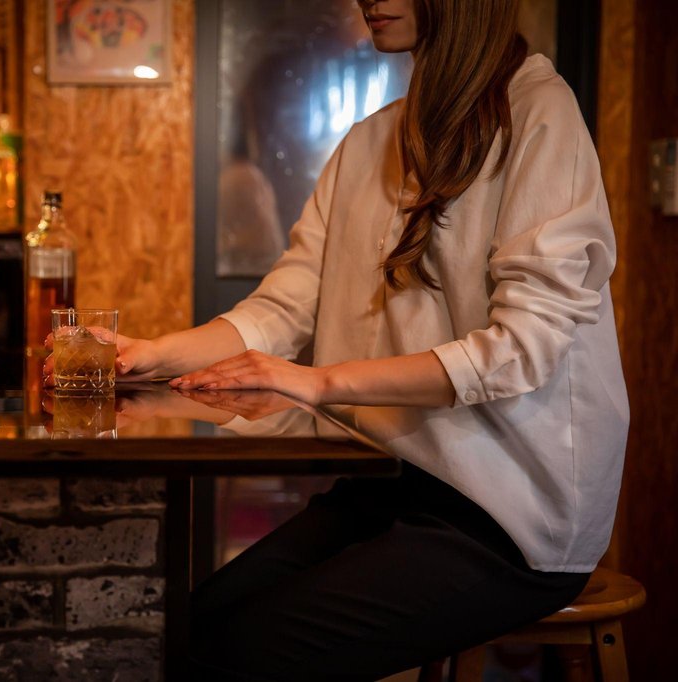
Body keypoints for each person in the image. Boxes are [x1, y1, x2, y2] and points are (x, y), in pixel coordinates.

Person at [47, 0, 629, 678]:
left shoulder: (540, 112)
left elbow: (523, 348)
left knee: (235, 658)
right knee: (179, 633)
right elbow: (284, 307)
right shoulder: (371, 139)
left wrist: (319, 381)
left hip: (511, 518)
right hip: (394, 483)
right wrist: (150, 353)